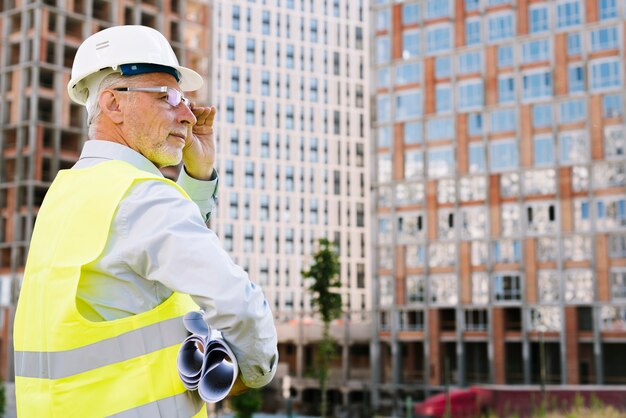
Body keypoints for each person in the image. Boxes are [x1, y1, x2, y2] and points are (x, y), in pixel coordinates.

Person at [13, 25, 278, 418]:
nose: (188, 115)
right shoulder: (143, 196)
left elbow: (151, 256)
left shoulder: (67, 192)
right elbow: (240, 306)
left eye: (186, 100)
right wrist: (251, 371)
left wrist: (198, 175)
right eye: (167, 96)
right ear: (114, 104)